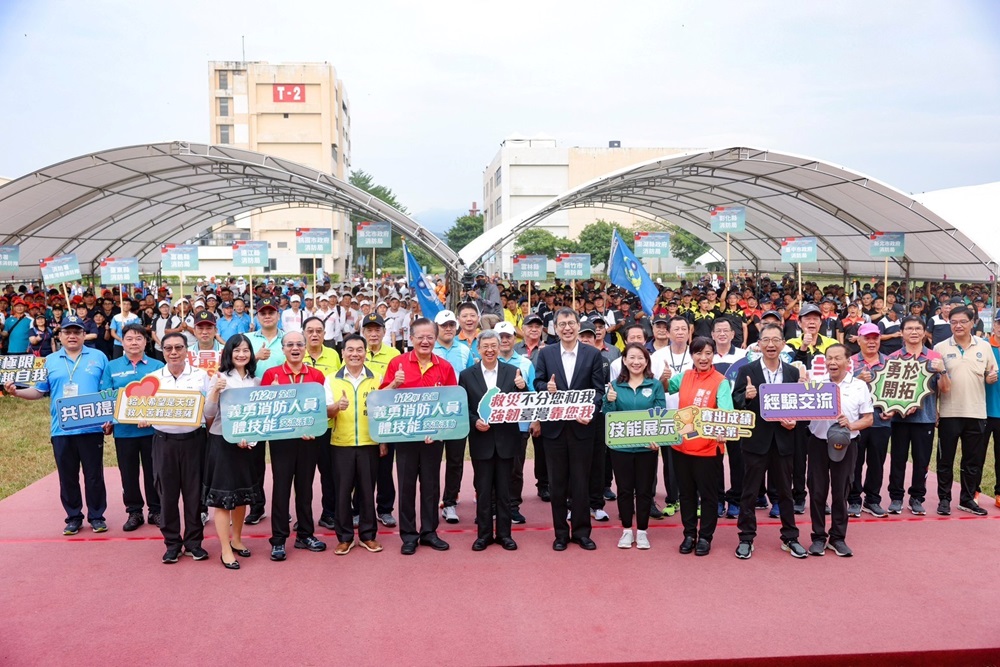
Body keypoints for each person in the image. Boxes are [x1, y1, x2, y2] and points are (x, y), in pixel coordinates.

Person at [4, 315, 109, 535]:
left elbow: (106, 392)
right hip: (61, 428)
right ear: (60, 336)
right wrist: (17, 392)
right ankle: (73, 517)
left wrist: (109, 418)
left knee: (93, 475)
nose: (72, 336)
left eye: (77, 332)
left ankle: (97, 516)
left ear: (83, 335)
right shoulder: (50, 360)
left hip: (91, 426)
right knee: (67, 474)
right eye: (67, 332)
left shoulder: (99, 357)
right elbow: (39, 391)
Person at [380, 318, 458, 555]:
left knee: (431, 485)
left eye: (430, 337)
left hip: (432, 438)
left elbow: (451, 403)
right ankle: (409, 535)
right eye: (420, 337)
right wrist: (395, 383)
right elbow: (380, 398)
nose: (425, 341)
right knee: (406, 486)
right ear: (411, 338)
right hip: (404, 438)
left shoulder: (444, 367)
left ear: (436, 339)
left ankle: (429, 532)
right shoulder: (398, 363)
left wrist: (439, 431)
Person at [532, 308, 605, 551]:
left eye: (571, 323)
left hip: (582, 429)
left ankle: (582, 532)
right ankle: (561, 533)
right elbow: (538, 382)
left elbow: (598, 391)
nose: (567, 327)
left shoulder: (592, 355)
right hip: (553, 430)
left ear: (577, 324)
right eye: (561, 323)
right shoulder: (546, 353)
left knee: (581, 482)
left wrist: (587, 412)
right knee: (557, 483)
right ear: (555, 328)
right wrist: (546, 388)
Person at [731, 323, 805, 559]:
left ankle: (790, 537)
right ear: (759, 344)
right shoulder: (747, 370)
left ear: (783, 344)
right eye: (766, 340)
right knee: (750, 492)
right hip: (755, 441)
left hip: (784, 441)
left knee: (785, 491)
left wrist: (794, 422)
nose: (771, 344)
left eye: (776, 340)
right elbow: (735, 401)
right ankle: (746, 537)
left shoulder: (793, 372)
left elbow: (799, 406)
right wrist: (746, 396)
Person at [260, 331, 335, 560]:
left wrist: (314, 426)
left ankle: (305, 534)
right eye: (290, 344)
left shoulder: (316, 375)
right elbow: (262, 412)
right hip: (281, 442)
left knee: (305, 489)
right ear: (283, 349)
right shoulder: (271, 375)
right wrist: (270, 395)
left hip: (308, 440)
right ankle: (279, 540)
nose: (295, 348)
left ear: (305, 348)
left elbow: (324, 408)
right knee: (281, 490)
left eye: (299, 344)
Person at [147, 332, 211, 563]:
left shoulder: (201, 376)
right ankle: (172, 543)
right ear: (162, 351)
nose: (174, 353)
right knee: (167, 494)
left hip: (194, 441)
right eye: (168, 348)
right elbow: (142, 408)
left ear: (187, 350)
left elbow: (210, 408)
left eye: (178, 348)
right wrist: (143, 416)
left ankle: (194, 543)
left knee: (194, 494)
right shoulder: (153, 378)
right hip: (164, 442)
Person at [202, 334, 264, 570]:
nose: (241, 354)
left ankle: (237, 539)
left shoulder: (255, 381)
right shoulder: (218, 378)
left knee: (242, 496)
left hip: (247, 445)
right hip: (222, 442)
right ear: (228, 353)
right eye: (236, 350)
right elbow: (209, 413)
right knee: (223, 499)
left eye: (246, 350)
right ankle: (225, 549)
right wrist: (215, 392)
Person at [664, 337, 730, 556]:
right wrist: (664, 379)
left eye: (708, 353)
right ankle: (689, 534)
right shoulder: (683, 377)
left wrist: (723, 430)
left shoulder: (721, 381)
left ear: (713, 355)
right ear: (691, 355)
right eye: (699, 353)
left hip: (708, 450)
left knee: (709, 496)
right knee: (687, 494)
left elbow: (726, 413)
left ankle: (705, 537)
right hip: (681, 448)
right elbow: (665, 387)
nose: (703, 358)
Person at [805, 344, 873, 558]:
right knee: (817, 491)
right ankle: (818, 536)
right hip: (818, 443)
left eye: (837, 358)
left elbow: (868, 419)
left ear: (847, 362)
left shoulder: (859, 386)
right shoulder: (816, 385)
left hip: (846, 443)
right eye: (829, 359)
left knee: (841, 491)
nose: (832, 363)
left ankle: (837, 537)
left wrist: (851, 425)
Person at [459, 330, 524, 551]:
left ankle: (505, 535)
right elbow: (463, 408)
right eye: (485, 346)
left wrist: (522, 388)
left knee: (505, 491)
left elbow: (522, 404)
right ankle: (484, 535)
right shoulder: (467, 375)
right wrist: (475, 421)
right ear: (478, 349)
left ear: (499, 347)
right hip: (481, 440)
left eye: (493, 346)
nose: (489, 350)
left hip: (507, 440)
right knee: (484, 490)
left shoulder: (513, 372)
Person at [99, 323, 164, 532]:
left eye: (138, 338)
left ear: (146, 341)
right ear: (122, 342)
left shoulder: (157, 365)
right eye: (129, 338)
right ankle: (134, 511)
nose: (134, 342)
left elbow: (164, 395)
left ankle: (156, 510)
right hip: (124, 431)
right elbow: (106, 396)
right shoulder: (112, 366)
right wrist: (107, 422)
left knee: (154, 472)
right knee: (128, 472)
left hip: (152, 431)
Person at [934, 306, 997, 516]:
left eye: (962, 321)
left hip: (976, 412)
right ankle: (944, 499)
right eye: (953, 322)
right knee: (945, 460)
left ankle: (967, 499)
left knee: (973, 459)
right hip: (949, 412)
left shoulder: (984, 346)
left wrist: (990, 378)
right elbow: (933, 383)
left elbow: (991, 371)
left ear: (972, 322)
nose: (958, 326)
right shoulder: (940, 347)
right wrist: (935, 409)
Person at [603, 343, 666, 550]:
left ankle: (642, 532)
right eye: (631, 357)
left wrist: (657, 438)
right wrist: (609, 400)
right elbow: (607, 415)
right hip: (621, 448)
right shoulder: (615, 385)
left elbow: (660, 412)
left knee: (645, 490)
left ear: (646, 361)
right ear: (624, 360)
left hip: (647, 448)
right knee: (624, 489)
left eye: (640, 358)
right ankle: (627, 530)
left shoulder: (654, 384)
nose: (636, 362)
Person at [327, 334, 385, 555]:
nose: (354, 354)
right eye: (350, 350)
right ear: (343, 353)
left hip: (370, 442)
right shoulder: (331, 379)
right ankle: (344, 537)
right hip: (341, 443)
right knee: (342, 492)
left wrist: (382, 441)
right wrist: (335, 407)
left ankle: (368, 536)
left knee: (367, 491)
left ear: (365, 352)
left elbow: (383, 413)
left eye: (359, 350)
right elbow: (324, 411)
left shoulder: (377, 378)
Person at [886, 315, 947, 516]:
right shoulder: (893, 358)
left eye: (918, 328)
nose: (914, 332)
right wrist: (898, 406)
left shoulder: (934, 357)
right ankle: (896, 497)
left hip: (926, 418)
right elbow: (886, 391)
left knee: (921, 460)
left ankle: (917, 497)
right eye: (909, 328)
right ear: (901, 333)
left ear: (924, 332)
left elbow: (945, 389)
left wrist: (943, 371)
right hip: (899, 419)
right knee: (898, 459)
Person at [243, 297, 284, 525]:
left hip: (282, 408)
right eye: (262, 313)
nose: (267, 316)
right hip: (255, 407)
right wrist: (255, 357)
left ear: (278, 315)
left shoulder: (289, 339)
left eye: (271, 312)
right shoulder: (247, 340)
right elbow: (235, 365)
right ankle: (256, 506)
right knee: (254, 462)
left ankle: (281, 506)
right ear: (257, 316)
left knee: (282, 464)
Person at [433, 309, 475, 524]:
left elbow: (470, 378)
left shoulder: (465, 350)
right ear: (437, 328)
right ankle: (431, 502)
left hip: (458, 413)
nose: (448, 329)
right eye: (444, 325)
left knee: (455, 460)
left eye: (451, 325)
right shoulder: (430, 348)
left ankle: (449, 502)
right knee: (431, 460)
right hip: (433, 414)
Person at [360, 313, 401, 527]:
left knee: (385, 466)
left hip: (387, 416)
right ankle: (359, 509)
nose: (373, 334)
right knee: (361, 466)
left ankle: (385, 509)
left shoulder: (394, 354)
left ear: (384, 332)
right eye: (369, 330)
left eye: (377, 330)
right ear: (363, 332)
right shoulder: (356, 350)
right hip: (360, 416)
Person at [301, 316, 342, 530]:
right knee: (303, 477)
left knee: (329, 474)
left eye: (319, 330)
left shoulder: (334, 355)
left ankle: (329, 513)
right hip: (304, 427)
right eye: (310, 330)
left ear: (325, 334)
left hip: (327, 425)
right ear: (304, 333)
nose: (315, 334)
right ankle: (303, 517)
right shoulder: (297, 354)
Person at [847, 323, 891, 518]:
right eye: (867, 338)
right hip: (856, 421)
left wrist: (893, 410)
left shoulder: (891, 362)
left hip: (881, 420)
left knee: (877, 462)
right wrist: (857, 378)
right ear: (858, 339)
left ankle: (872, 499)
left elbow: (898, 393)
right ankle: (854, 499)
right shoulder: (849, 363)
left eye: (875, 338)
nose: (871, 342)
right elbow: (839, 387)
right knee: (854, 462)